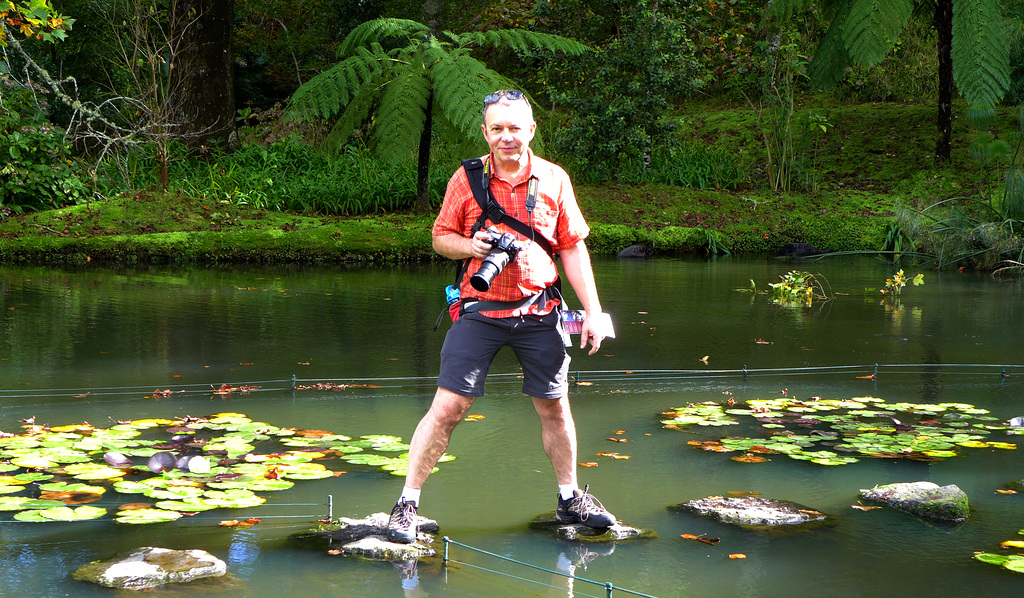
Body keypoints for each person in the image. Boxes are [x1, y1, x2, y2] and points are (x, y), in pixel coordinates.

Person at [386, 89, 616, 544]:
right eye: (497, 129)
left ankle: (570, 499)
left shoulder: (554, 178)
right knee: (448, 407)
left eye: (515, 128)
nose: (506, 137)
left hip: (541, 310)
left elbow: (571, 246)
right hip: (479, 310)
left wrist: (592, 310)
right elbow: (439, 237)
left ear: (531, 129)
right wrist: (471, 247)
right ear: (485, 132)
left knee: (554, 405)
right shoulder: (466, 179)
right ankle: (406, 505)